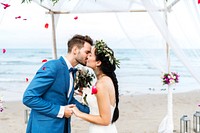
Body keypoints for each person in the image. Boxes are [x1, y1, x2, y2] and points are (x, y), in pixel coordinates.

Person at [22, 34, 93, 133]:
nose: (89, 56)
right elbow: (29, 98)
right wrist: (61, 111)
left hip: (62, 128)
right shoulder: (52, 67)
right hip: (44, 128)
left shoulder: (72, 72)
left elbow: (68, 100)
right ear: (75, 50)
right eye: (87, 52)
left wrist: (92, 111)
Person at [72, 40, 120, 133]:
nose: (87, 57)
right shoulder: (104, 80)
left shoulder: (101, 84)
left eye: (90, 55)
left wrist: (79, 113)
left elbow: (105, 120)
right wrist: (85, 95)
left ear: (98, 62)